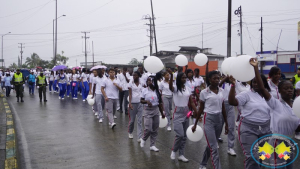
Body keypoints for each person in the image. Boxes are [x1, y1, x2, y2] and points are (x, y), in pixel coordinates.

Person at [250, 58, 300, 169]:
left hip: (290, 141)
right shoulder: (276, 104)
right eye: (286, 88)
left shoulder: (295, 106)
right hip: (279, 141)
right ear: (280, 91)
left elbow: (297, 128)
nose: (289, 90)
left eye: (291, 88)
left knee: (290, 167)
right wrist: (255, 68)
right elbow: (262, 88)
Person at [228, 67, 272, 169]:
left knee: (263, 156)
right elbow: (232, 102)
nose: (256, 84)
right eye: (254, 82)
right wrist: (233, 85)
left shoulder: (269, 96)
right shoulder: (246, 94)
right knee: (252, 157)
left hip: (266, 129)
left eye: (258, 82)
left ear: (264, 83)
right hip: (248, 129)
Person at [192, 71, 229, 169]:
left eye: (218, 78)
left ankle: (203, 163)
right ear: (209, 79)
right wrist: (195, 124)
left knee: (211, 145)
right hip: (209, 120)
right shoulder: (204, 92)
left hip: (219, 120)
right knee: (214, 147)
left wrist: (226, 124)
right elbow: (200, 109)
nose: (217, 80)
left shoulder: (221, 91)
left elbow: (223, 108)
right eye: (214, 78)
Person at [168, 69, 198, 162]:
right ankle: (173, 151)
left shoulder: (187, 88)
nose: (185, 79)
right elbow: (170, 87)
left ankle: (181, 155)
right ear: (179, 79)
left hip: (186, 112)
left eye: (185, 77)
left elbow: (191, 101)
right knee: (180, 135)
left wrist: (196, 111)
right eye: (183, 77)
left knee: (184, 136)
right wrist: (171, 76)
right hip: (178, 113)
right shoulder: (176, 88)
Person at [140, 76, 165, 152]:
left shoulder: (158, 91)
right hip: (147, 110)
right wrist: (146, 101)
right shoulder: (144, 90)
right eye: (147, 81)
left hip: (156, 110)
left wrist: (162, 112)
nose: (148, 82)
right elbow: (141, 100)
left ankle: (152, 145)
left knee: (155, 129)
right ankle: (143, 139)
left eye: (150, 81)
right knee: (148, 129)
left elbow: (160, 103)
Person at [218, 75, 237, 156]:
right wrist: (227, 77)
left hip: (230, 106)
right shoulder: (223, 84)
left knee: (231, 127)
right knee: (219, 125)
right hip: (222, 105)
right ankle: (215, 141)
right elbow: (219, 84)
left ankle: (230, 147)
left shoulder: (234, 84)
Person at [128, 71, 143, 141]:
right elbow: (130, 94)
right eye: (133, 76)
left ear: (138, 76)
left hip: (140, 103)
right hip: (133, 103)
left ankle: (139, 136)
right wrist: (130, 103)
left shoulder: (141, 83)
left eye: (136, 76)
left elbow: (143, 92)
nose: (134, 77)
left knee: (140, 121)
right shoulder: (131, 83)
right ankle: (130, 132)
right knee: (132, 121)